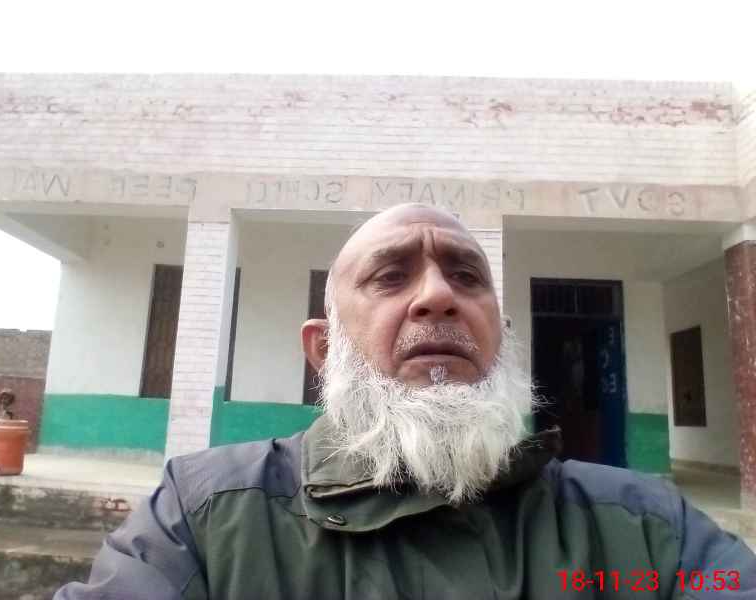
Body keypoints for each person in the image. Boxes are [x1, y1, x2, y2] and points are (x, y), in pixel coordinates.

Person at [55, 203, 756, 599]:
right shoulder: (204, 516)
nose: (438, 295)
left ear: (501, 336)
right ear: (323, 349)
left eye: (466, 276)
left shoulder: (645, 530)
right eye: (390, 277)